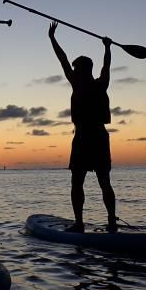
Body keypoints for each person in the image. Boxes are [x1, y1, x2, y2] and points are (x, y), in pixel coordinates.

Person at [48, 21, 118, 233]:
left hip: (88, 138)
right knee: (91, 181)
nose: (73, 71)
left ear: (83, 70)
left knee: (88, 181)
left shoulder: (83, 83)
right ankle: (103, 222)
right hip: (95, 137)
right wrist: (107, 47)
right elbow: (105, 65)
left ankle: (86, 223)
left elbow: (64, 60)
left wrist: (52, 38)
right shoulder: (99, 83)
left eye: (76, 68)